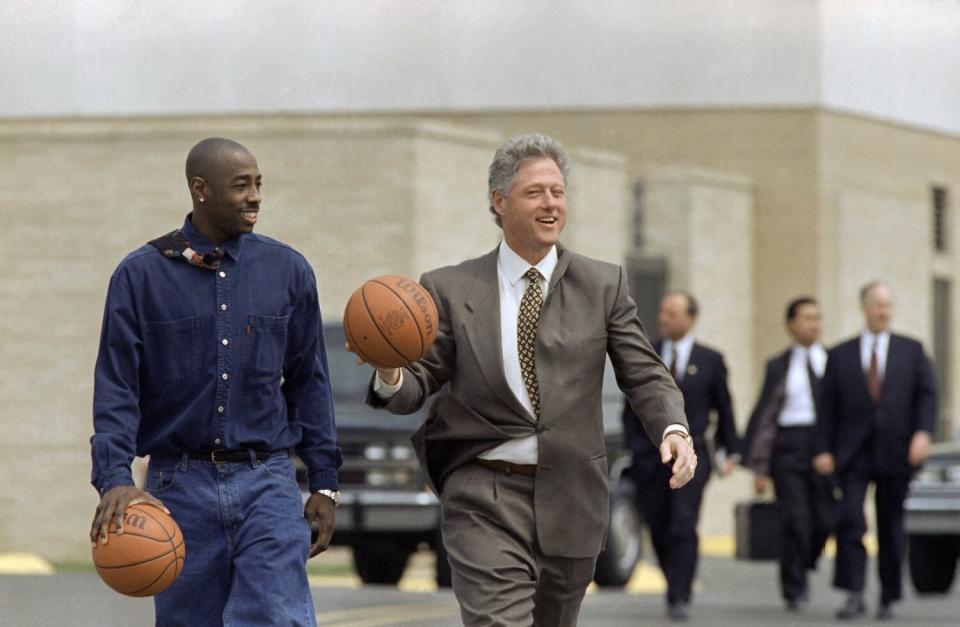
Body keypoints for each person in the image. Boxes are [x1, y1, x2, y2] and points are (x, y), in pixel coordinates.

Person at [358, 133, 695, 626]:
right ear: (499, 201)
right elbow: (419, 383)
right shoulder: (449, 288)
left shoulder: (604, 285)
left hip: (572, 494)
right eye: (535, 192)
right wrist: (389, 370)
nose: (551, 203)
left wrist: (674, 429)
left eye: (558, 192)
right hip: (483, 492)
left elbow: (645, 373)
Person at [89, 138, 342, 626]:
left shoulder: (287, 270)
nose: (255, 197)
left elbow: (310, 382)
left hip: (266, 479)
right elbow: (117, 389)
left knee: (277, 616)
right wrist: (114, 479)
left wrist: (325, 483)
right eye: (241, 185)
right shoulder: (140, 277)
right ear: (200, 189)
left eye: (258, 184)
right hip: (177, 486)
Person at [813, 281, 937, 620]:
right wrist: (822, 448)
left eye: (888, 306)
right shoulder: (840, 355)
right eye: (877, 305)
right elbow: (826, 408)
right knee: (850, 520)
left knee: (891, 525)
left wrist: (923, 434)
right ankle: (853, 592)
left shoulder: (911, 351)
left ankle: (888, 594)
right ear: (864, 308)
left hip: (896, 452)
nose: (883, 311)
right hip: (851, 453)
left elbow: (927, 396)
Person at [622, 291, 740, 621]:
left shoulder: (710, 359)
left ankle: (680, 595)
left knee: (683, 524)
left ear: (690, 318)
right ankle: (674, 580)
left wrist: (731, 450)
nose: (664, 318)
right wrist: (635, 447)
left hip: (692, 455)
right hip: (650, 457)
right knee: (658, 524)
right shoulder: (649, 352)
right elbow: (630, 406)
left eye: (672, 313)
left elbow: (724, 410)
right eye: (662, 311)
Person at [741, 297, 834, 611]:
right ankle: (794, 587)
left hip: (824, 447)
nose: (813, 323)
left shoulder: (835, 363)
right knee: (794, 518)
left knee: (824, 519)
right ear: (791, 324)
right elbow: (764, 416)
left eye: (817, 317)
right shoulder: (778, 364)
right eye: (806, 317)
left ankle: (807, 558)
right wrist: (758, 467)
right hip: (788, 446)